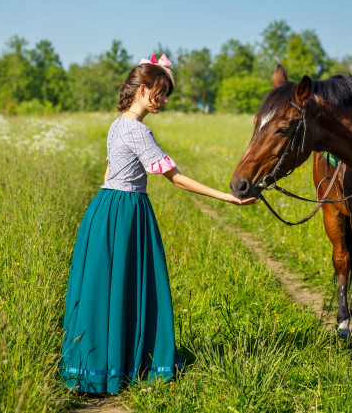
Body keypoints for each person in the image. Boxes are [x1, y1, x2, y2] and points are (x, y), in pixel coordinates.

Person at [60, 53, 256, 394]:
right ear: (143, 89)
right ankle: (131, 364)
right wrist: (229, 198)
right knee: (128, 284)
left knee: (109, 287)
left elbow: (109, 173)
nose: (164, 100)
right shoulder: (137, 130)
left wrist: (102, 214)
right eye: (161, 92)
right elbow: (175, 178)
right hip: (126, 210)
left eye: (167, 94)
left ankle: (102, 364)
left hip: (106, 208)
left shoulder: (117, 123)